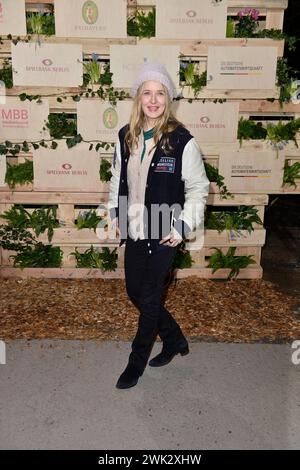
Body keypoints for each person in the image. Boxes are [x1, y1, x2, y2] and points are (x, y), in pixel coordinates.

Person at [107, 61, 210, 389]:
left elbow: (198, 188)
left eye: (160, 93)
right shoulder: (125, 136)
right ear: (138, 98)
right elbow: (117, 178)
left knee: (149, 298)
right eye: (147, 93)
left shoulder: (181, 141)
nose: (153, 100)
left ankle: (134, 365)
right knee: (134, 291)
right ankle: (175, 339)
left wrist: (182, 227)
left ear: (169, 98)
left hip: (165, 232)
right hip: (136, 228)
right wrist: (116, 214)